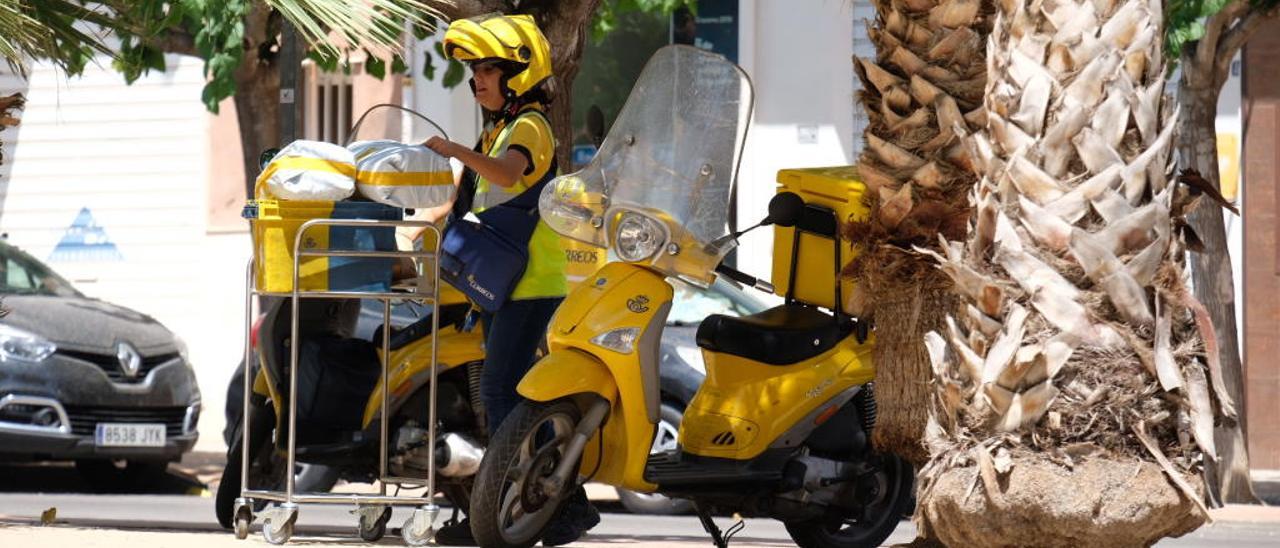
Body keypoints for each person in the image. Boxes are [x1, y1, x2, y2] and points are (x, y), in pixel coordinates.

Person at [423, 13, 599, 547]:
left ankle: (540, 509)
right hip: (504, 282)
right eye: (474, 70)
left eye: (487, 70)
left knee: (504, 391)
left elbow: (507, 174)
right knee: (503, 396)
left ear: (516, 76)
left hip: (532, 282)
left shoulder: (529, 127)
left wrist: (454, 150)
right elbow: (476, 198)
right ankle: (543, 509)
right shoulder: (497, 127)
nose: (476, 80)